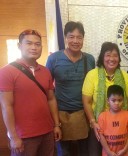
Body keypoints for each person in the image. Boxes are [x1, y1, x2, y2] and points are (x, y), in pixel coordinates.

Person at [0, 29, 62, 156]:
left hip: (47, 132)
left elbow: (51, 99)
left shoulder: (45, 71)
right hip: (23, 136)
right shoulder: (7, 72)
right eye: (29, 43)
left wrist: (56, 125)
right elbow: (7, 106)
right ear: (19, 46)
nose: (34, 47)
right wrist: (13, 137)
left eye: (37, 44)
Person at [46, 21, 95, 156]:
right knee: (64, 153)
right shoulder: (53, 59)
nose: (75, 41)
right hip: (61, 115)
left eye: (79, 37)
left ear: (83, 39)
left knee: (85, 152)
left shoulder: (90, 59)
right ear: (66, 38)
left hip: (83, 114)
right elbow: (48, 89)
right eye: (71, 36)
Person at [82, 42, 128, 156]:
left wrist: (127, 122)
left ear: (119, 58)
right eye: (108, 55)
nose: (112, 59)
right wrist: (93, 122)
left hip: (119, 128)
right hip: (98, 126)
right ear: (102, 57)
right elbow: (86, 101)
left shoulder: (124, 76)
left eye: (115, 55)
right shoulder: (92, 74)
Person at [98, 85, 128, 156]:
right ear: (108, 101)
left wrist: (125, 149)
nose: (117, 103)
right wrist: (109, 152)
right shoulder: (102, 116)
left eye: (120, 100)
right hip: (107, 153)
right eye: (113, 100)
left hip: (123, 153)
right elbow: (101, 136)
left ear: (123, 100)